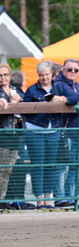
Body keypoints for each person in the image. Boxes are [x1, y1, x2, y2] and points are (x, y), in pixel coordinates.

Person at [22, 61, 67, 209]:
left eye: (47, 75)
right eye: (41, 75)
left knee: (51, 165)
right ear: (38, 76)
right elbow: (24, 108)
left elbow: (71, 98)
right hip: (35, 130)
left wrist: (60, 99)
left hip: (53, 130)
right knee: (38, 165)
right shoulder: (31, 90)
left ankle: (48, 198)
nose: (44, 78)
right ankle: (39, 199)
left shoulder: (59, 88)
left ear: (51, 75)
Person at [53, 58, 79, 207]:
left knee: (78, 164)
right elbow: (71, 98)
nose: (72, 72)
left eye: (75, 70)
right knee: (63, 166)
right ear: (63, 70)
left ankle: (68, 195)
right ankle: (61, 198)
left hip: (75, 132)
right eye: (69, 69)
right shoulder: (59, 84)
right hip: (64, 130)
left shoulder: (75, 85)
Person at [0, 63, 24, 210]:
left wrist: (18, 100)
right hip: (2, 133)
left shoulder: (15, 90)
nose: (2, 78)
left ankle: (2, 199)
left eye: (5, 75)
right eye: (0, 75)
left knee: (7, 169)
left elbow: (26, 99)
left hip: (14, 134)